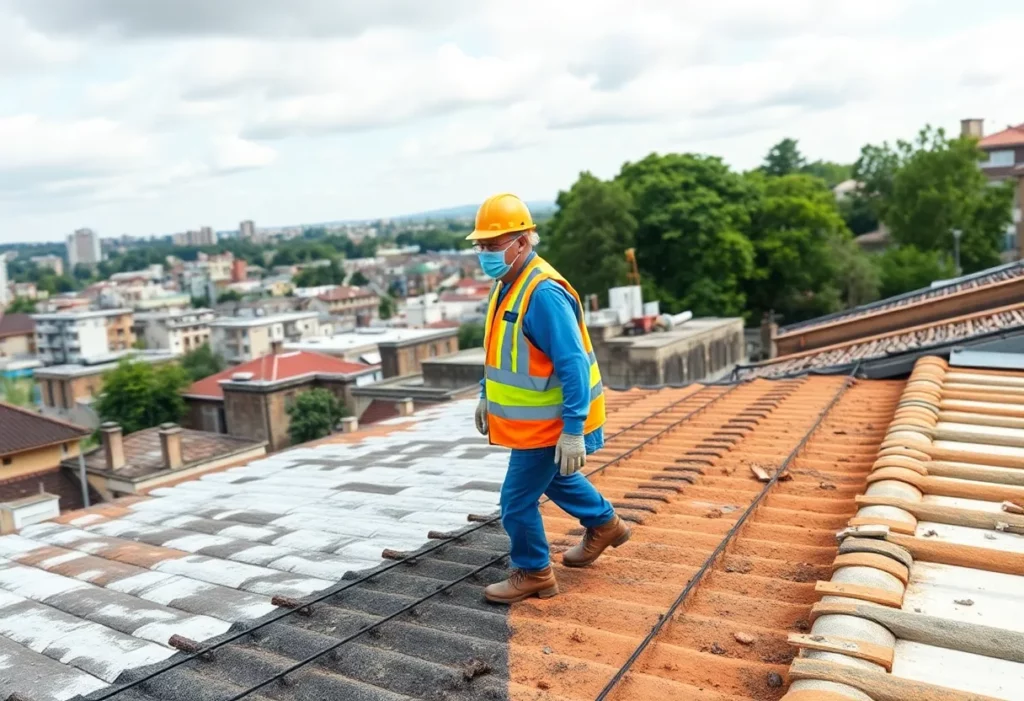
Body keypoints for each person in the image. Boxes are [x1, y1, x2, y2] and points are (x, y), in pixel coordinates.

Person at [469, 192, 631, 604]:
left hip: (554, 422)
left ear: (522, 241)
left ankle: (534, 571)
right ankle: (606, 525)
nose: (485, 254)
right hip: (536, 422)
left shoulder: (542, 293)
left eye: (493, 245)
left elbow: (573, 363)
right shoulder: (507, 284)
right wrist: (486, 394)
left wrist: (574, 429)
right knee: (557, 479)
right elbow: (502, 351)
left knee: (515, 502)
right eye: (481, 246)